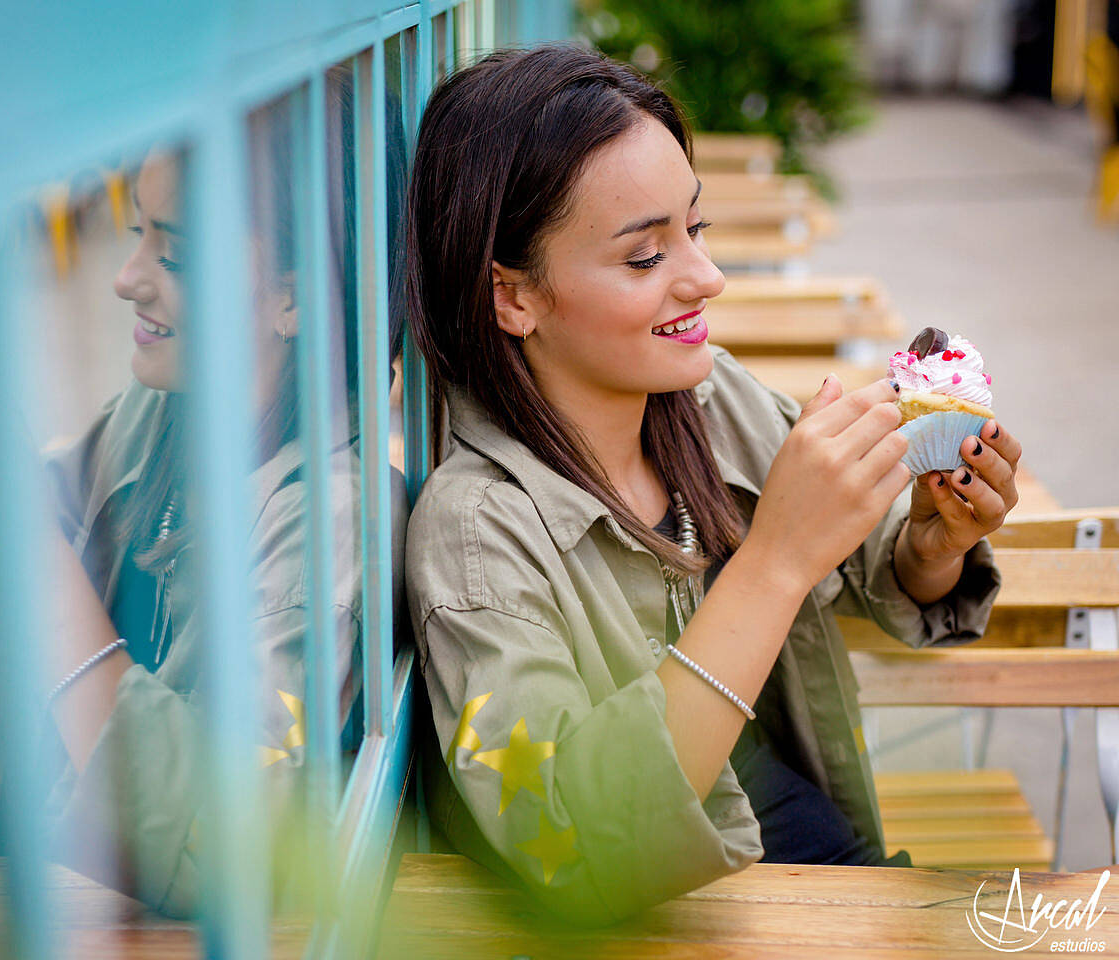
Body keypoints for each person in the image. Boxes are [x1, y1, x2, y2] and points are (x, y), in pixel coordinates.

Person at [401, 44, 1020, 924]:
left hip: (818, 870)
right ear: (513, 297)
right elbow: (565, 836)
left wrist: (932, 542)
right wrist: (773, 563)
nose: (706, 278)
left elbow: (875, 571)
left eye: (696, 229)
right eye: (644, 257)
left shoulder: (708, 395)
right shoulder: (476, 533)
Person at [0, 82, 407, 916]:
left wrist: (12, 549)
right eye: (136, 236)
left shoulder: (333, 520)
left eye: (177, 255)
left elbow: (230, 841)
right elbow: (16, 583)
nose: (127, 279)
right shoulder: (157, 414)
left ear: (295, 297)